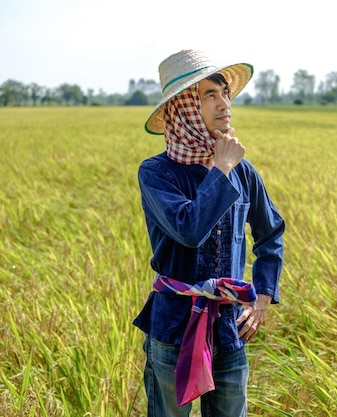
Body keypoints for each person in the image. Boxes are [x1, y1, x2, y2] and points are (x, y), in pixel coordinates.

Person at [132, 49, 285, 417]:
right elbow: (189, 229)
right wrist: (221, 169)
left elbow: (271, 234)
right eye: (209, 95)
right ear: (183, 108)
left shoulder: (243, 172)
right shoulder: (157, 173)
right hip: (172, 328)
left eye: (225, 93)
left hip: (229, 328)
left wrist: (263, 297)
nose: (225, 104)